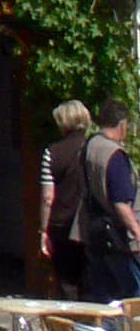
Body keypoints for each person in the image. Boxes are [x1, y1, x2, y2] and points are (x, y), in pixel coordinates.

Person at [75, 99, 140, 305]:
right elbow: (120, 202)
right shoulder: (115, 154)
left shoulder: (89, 146)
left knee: (104, 300)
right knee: (133, 298)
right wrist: (137, 233)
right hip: (117, 238)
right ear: (122, 125)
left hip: (95, 233)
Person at [42, 99, 94, 294]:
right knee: (89, 281)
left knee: (66, 282)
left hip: (61, 223)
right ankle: (88, 322)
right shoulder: (93, 148)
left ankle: (67, 323)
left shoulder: (52, 152)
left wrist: (43, 230)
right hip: (88, 222)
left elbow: (48, 197)